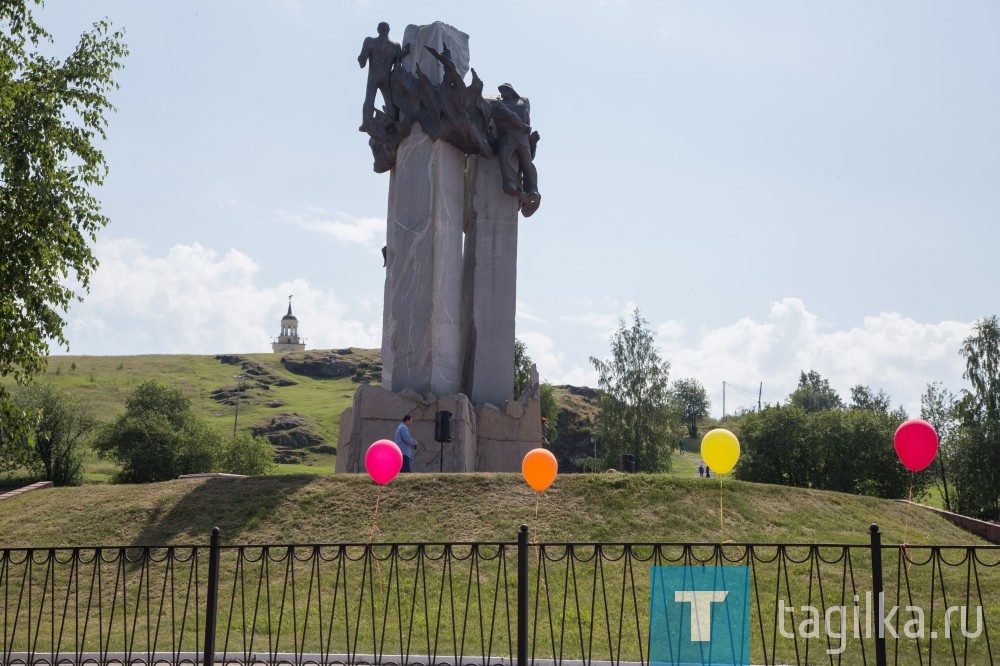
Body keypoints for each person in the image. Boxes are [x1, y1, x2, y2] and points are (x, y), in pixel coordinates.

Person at [490, 83, 540, 215]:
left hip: (522, 138)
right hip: (507, 137)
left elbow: (527, 120)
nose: (502, 93)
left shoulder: (523, 102)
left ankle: (533, 189)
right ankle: (510, 183)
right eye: (501, 91)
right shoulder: (498, 104)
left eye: (504, 90)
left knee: (528, 163)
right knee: (504, 159)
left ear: (511, 91)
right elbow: (507, 116)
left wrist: (532, 140)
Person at [357, 22, 409, 131]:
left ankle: (367, 122)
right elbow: (398, 62)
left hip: (374, 76)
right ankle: (392, 121)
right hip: (387, 77)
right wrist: (405, 52)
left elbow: (362, 62)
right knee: (389, 102)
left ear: (378, 30)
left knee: (369, 99)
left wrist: (360, 59)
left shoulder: (370, 42)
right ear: (388, 30)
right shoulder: (395, 46)